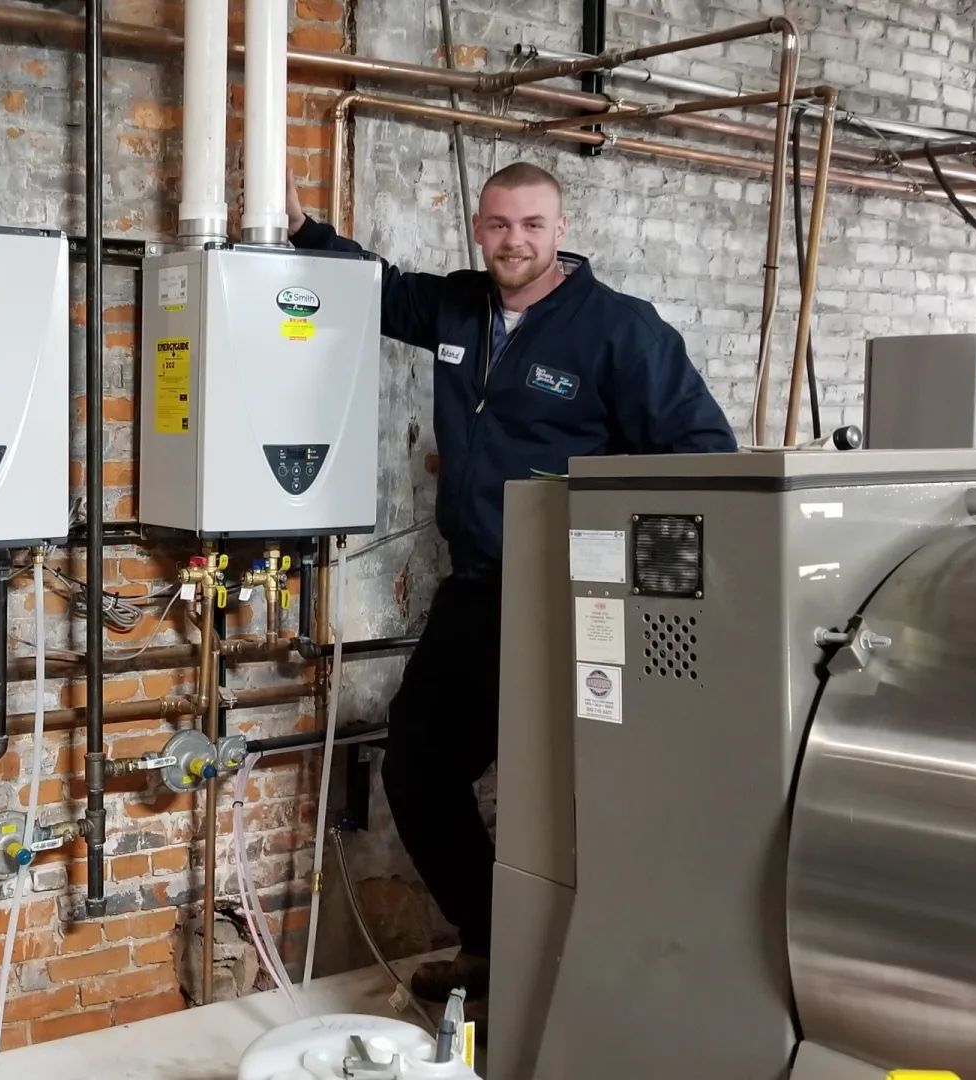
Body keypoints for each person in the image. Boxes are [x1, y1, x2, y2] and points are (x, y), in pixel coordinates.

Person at [286, 161, 737, 1001]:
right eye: (498, 225)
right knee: (417, 768)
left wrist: (634, 578)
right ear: (478, 229)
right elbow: (379, 291)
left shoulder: (620, 330)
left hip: (569, 602)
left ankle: (593, 976)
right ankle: (493, 945)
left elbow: (703, 456)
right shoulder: (460, 306)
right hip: (478, 590)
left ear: (561, 230)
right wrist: (304, 231)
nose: (514, 241)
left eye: (531, 225)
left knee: (567, 791)